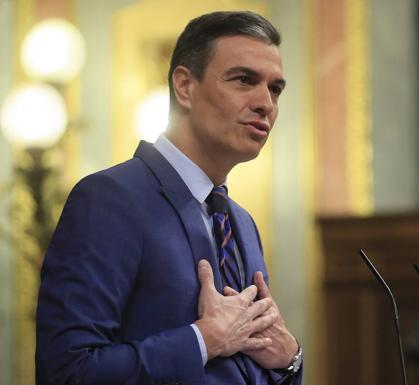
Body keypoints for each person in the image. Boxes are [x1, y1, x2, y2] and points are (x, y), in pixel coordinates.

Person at [36, 11, 302, 385]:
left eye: (275, 89)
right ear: (184, 86)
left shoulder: (241, 222)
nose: (266, 103)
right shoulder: (109, 200)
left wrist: (288, 360)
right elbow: (66, 372)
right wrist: (203, 340)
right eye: (244, 80)